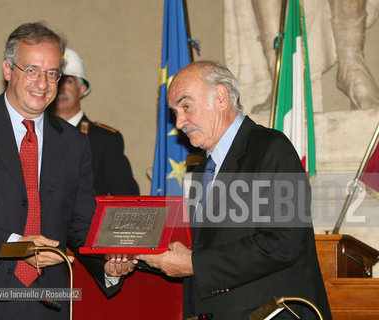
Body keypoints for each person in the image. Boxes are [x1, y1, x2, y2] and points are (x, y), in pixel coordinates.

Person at [0, 22, 133, 320]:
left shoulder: (75, 144)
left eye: (51, 73)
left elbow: (81, 223)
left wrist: (107, 264)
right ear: (8, 70)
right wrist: (14, 247)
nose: (42, 83)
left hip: (45, 304)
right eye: (31, 70)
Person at [137, 61, 332, 319]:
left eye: (185, 106)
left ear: (220, 98)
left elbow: (283, 243)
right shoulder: (200, 173)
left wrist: (193, 264)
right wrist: (136, 258)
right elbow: (202, 250)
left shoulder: (271, 148)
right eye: (175, 112)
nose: (179, 122)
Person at [49, 48, 139, 196]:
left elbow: (126, 199)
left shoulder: (104, 140)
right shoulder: (35, 134)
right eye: (56, 81)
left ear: (82, 89)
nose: (60, 89)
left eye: (69, 82)